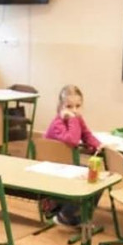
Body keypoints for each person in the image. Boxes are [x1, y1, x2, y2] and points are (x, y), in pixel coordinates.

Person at [42, 85, 102, 226]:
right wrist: (72, 119)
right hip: (52, 167)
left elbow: (86, 134)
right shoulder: (58, 122)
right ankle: (65, 215)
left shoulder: (77, 118)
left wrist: (97, 144)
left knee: (97, 177)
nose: (74, 110)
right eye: (69, 106)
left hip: (65, 165)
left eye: (78, 106)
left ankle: (81, 215)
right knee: (87, 177)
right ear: (61, 106)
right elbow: (73, 140)